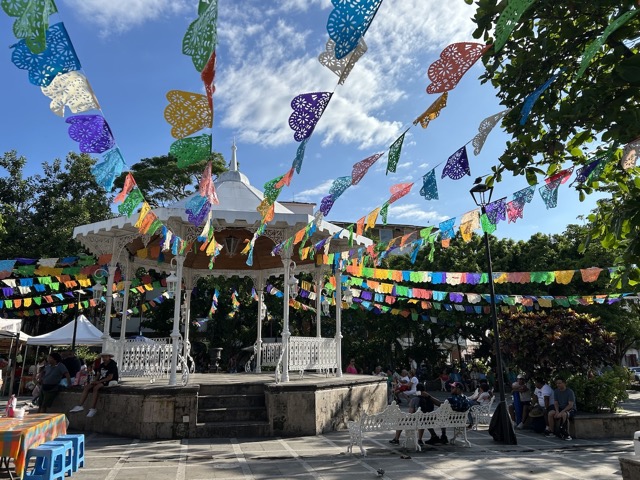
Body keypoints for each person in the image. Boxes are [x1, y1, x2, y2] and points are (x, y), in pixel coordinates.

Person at [70, 351, 119, 418]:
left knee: (96, 388)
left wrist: (98, 382)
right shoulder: (101, 365)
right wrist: (94, 381)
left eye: (106, 356)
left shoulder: (112, 364)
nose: (104, 358)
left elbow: (110, 377)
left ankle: (93, 408)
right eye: (103, 357)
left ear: (109, 357)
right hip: (101, 380)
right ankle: (80, 405)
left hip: (110, 380)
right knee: (87, 387)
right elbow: (98, 375)